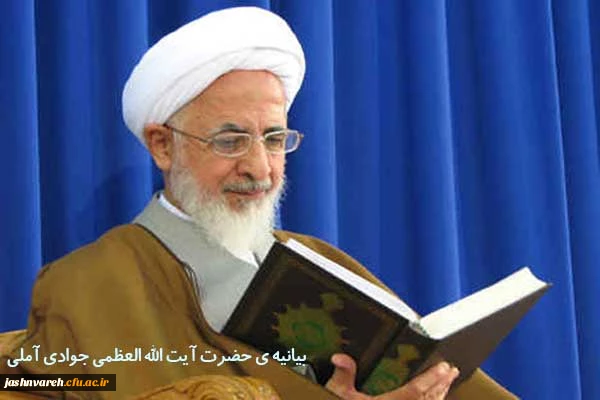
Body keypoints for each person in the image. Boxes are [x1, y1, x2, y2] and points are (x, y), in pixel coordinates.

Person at [0, 7, 516, 400]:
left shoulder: (320, 262)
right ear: (162, 145)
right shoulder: (87, 282)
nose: (260, 169)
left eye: (273, 139)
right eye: (230, 141)